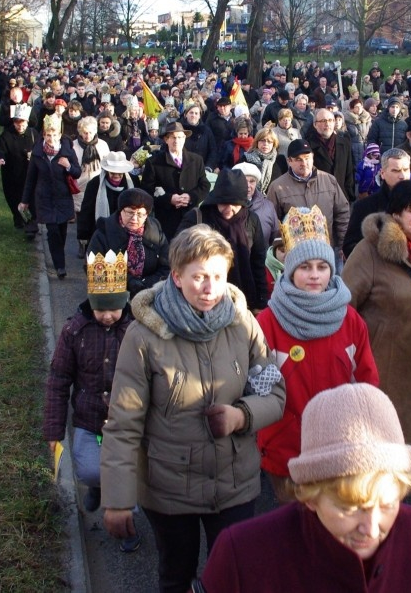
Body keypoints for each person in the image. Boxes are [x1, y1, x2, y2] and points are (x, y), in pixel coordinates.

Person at [99, 226, 286, 593]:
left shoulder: (243, 324)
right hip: (169, 490)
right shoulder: (143, 337)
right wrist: (118, 499)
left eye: (217, 276)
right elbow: (124, 422)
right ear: (177, 276)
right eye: (199, 276)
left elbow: (274, 393)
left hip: (233, 484)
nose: (209, 287)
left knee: (233, 576)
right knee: (175, 576)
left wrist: (242, 415)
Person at [199, 383, 411, 592]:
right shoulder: (243, 556)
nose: (371, 528)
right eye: (349, 508)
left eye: (387, 504)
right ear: (310, 496)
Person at [255, 207, 379, 501]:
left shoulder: (349, 319)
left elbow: (366, 380)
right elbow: (258, 388)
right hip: (286, 448)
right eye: (305, 267)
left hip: (340, 443)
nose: (314, 275)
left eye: (321, 267)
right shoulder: (268, 323)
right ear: (290, 270)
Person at [344, 181, 411, 445]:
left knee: (408, 449)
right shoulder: (370, 251)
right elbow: (344, 307)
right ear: (395, 214)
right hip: (380, 368)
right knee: (376, 448)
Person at [43, 251, 135, 529]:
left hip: (127, 422)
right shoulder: (75, 331)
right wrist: (53, 431)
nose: (107, 316)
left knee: (130, 478)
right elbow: (59, 380)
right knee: (91, 470)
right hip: (89, 418)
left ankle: (125, 526)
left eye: (114, 309)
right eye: (100, 309)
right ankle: (98, 487)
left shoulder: (135, 331)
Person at [176, 169, 268, 312]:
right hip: (203, 299)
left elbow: (258, 262)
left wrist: (261, 303)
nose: (229, 209)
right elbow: (178, 257)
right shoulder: (196, 218)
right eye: (224, 203)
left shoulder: (251, 220)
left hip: (243, 301)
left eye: (235, 204)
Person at [266, 139, 350, 261]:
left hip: (327, 251)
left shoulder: (329, 181)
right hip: (295, 255)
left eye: (307, 158)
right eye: (298, 159)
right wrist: (280, 250)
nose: (304, 163)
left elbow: (342, 214)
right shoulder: (277, 187)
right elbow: (273, 224)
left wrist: (343, 244)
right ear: (289, 161)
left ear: (313, 158)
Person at [19, 114, 81, 279]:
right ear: (44, 135)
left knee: (61, 231)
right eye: (48, 135)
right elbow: (30, 178)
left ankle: (58, 254)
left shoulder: (67, 151)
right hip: (45, 198)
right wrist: (24, 201)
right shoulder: (38, 153)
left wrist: (68, 166)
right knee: (52, 230)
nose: (51, 138)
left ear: (59, 135)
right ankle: (60, 266)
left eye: (54, 135)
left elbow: (77, 172)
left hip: (62, 197)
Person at [87, 187, 171, 297]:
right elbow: (94, 267)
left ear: (147, 215)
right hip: (112, 295)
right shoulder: (104, 232)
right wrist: (129, 281)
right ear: (120, 211)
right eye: (130, 212)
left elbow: (167, 265)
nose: (134, 219)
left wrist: (146, 284)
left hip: (150, 293)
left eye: (140, 214)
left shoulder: (155, 231)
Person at [139, 122, 211, 239]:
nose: (176, 140)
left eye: (180, 137)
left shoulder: (196, 160)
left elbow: (204, 185)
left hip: (191, 219)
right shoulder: (154, 162)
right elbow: (147, 190)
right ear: (166, 139)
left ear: (184, 139)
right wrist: (169, 199)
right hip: (166, 221)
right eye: (173, 137)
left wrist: (191, 197)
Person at [342, 147, 411, 258]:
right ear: (382, 173)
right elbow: (350, 246)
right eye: (396, 171)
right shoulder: (365, 207)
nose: (402, 176)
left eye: (406, 169)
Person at [76, 151, 137, 252]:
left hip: (127, 233)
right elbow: (87, 210)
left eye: (119, 172)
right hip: (102, 232)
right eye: (112, 172)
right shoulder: (95, 184)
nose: (116, 175)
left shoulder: (133, 182)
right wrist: (83, 234)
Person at [0, 103, 36, 232]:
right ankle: (18, 219)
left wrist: (34, 156)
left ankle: (31, 223)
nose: (20, 126)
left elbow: (40, 149)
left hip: (29, 173)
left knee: (31, 198)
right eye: (17, 123)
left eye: (22, 123)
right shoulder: (7, 135)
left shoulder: (33, 134)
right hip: (12, 174)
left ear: (27, 122)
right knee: (14, 198)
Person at [232, 162, 280, 248]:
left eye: (252, 181)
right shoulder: (227, 207)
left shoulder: (268, 207)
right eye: (243, 181)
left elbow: (275, 238)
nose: (248, 186)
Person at [240, 126, 287, 195]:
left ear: (274, 144)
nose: (265, 144)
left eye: (269, 141)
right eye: (262, 140)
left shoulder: (280, 160)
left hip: (275, 200)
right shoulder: (246, 159)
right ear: (257, 142)